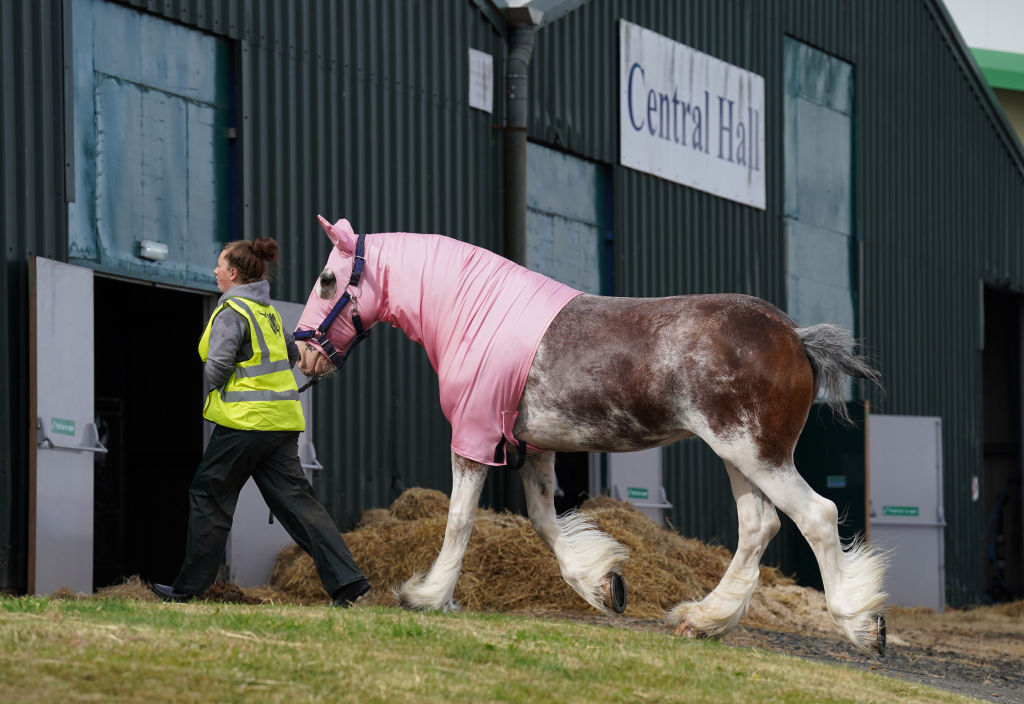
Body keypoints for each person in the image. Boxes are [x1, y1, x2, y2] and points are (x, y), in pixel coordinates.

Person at [151, 237, 370, 607]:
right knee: (299, 504)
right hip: (280, 425)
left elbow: (217, 369)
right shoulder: (267, 314)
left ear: (233, 273)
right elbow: (288, 353)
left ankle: (191, 587)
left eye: (220, 265)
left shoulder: (232, 312)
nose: (215, 271)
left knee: (209, 496)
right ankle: (348, 582)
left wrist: (222, 383)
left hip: (243, 425)